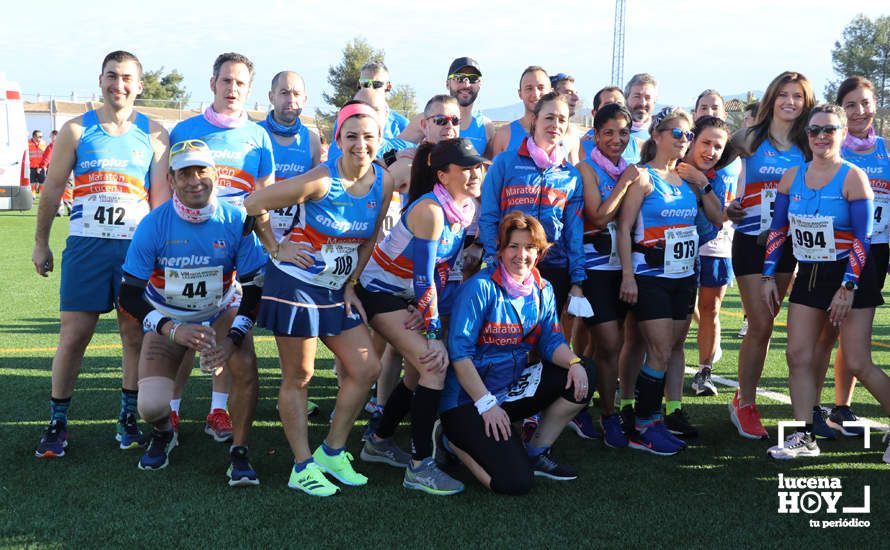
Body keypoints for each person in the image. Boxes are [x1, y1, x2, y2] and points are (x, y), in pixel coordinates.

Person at [244, 100, 393, 497]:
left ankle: (332, 451)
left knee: (366, 369)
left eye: (369, 137)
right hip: (295, 284)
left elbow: (371, 235)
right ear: (339, 140)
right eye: (352, 136)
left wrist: (350, 284)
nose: (361, 144)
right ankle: (302, 465)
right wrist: (276, 248)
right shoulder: (321, 179)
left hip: (334, 288)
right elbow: (255, 203)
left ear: (379, 140)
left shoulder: (384, 180)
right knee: (300, 375)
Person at [32, 50, 170, 458]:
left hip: (134, 252)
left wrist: (161, 253)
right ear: (101, 79)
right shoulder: (76, 130)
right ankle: (57, 423)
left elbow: (160, 201)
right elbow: (53, 189)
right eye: (112, 76)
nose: (119, 85)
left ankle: (127, 418)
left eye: (127, 78)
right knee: (74, 336)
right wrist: (41, 241)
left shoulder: (156, 134)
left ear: (140, 84)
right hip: (86, 247)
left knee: (133, 336)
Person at [118, 140, 266, 483]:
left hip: (220, 310)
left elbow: (254, 288)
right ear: (171, 179)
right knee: (150, 405)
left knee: (244, 363)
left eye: (201, 170)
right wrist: (171, 328)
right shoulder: (154, 224)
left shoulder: (236, 219)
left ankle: (240, 451)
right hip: (169, 314)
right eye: (185, 173)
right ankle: (163, 432)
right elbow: (129, 294)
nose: (194, 179)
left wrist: (233, 339)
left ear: (215, 173)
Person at [358, 138, 485, 495]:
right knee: (433, 365)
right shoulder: (430, 210)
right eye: (467, 167)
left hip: (408, 297)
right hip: (379, 293)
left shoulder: (467, 207)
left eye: (478, 166)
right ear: (443, 176)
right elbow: (423, 276)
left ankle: (378, 440)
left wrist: (421, 311)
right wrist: (431, 329)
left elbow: (445, 272)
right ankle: (420, 465)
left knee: (417, 373)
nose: (476, 173)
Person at [762, 104, 889, 459]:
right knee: (797, 354)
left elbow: (864, 239)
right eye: (815, 130)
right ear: (807, 134)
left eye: (829, 130)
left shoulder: (852, 177)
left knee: (859, 362)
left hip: (851, 276)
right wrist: (768, 275)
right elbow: (778, 231)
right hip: (810, 275)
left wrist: (848, 287)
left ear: (842, 132)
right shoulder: (792, 176)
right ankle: (804, 435)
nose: (821, 137)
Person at [440, 211, 595, 495]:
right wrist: (486, 404)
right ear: (500, 249)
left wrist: (573, 362)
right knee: (514, 483)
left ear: (540, 252)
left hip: (509, 389)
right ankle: (451, 442)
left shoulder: (543, 288)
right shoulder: (480, 287)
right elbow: (459, 354)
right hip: (468, 399)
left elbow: (551, 341)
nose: (521, 254)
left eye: (530, 247)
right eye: (513, 246)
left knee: (584, 373)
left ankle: (535, 452)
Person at [169, 52, 276, 443]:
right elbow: (169, 189)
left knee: (229, 329)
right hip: (187, 245)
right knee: (183, 332)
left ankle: (218, 410)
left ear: (249, 89)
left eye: (241, 83)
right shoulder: (185, 129)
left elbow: (263, 198)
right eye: (227, 81)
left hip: (237, 247)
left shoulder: (259, 136)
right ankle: (173, 410)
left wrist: (270, 246)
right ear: (213, 82)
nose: (233, 89)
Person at [616, 107, 722, 455]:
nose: (684, 140)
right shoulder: (644, 178)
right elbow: (624, 229)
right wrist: (628, 275)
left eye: (688, 135)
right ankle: (644, 425)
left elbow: (717, 216)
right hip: (651, 276)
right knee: (659, 351)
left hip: (684, 275)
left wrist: (702, 182)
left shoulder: (688, 178)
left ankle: (652, 420)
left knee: (671, 349)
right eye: (677, 133)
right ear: (657, 136)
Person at [725, 71, 815, 440]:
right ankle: (745, 403)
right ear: (771, 98)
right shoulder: (748, 137)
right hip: (751, 240)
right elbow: (711, 167)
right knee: (760, 324)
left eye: (797, 96)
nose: (790, 101)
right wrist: (725, 204)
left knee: (768, 320)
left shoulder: (809, 144)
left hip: (791, 244)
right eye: (783, 94)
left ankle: (741, 396)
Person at [818, 76, 890, 436]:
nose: (859, 111)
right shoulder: (831, 147)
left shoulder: (888, 150)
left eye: (865, 103)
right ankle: (831, 409)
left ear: (875, 104)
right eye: (850, 105)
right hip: (831, 252)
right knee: (828, 335)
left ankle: (841, 408)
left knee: (853, 340)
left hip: (874, 251)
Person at [480, 91, 585, 319]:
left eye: (562, 119)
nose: (555, 124)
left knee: (547, 341)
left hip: (555, 268)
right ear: (534, 120)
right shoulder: (505, 163)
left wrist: (577, 278)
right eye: (549, 117)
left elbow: (574, 231)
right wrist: (492, 258)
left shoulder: (571, 175)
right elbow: (489, 215)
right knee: (509, 337)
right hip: (511, 262)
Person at [577, 102, 635, 447]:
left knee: (603, 345)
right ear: (596, 135)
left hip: (623, 267)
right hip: (594, 268)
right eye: (609, 132)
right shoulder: (587, 168)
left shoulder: (630, 169)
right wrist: (626, 183)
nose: (616, 139)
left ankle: (582, 404)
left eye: (623, 133)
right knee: (609, 343)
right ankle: (608, 415)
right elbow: (598, 217)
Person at [689, 91, 742, 397]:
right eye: (703, 107)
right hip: (678, 247)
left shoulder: (732, 156)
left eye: (715, 107)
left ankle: (704, 370)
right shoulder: (679, 156)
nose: (711, 149)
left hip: (717, 243)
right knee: (681, 311)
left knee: (711, 308)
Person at [258, 70, 322, 241]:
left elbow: (318, 197)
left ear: (304, 99)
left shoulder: (312, 140)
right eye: (284, 93)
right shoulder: (254, 134)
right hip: (256, 232)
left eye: (296, 94)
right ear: (271, 97)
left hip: (294, 238)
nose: (291, 100)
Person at [399, 57, 495, 158]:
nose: (466, 84)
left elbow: (489, 168)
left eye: (473, 79)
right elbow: (391, 148)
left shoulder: (485, 126)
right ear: (447, 84)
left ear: (480, 84)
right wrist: (396, 155)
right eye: (459, 78)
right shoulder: (429, 119)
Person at [489, 66, 551, 158]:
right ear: (520, 93)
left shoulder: (565, 134)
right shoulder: (504, 135)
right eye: (529, 88)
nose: (535, 94)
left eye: (541, 88)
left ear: (550, 92)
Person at [580, 86, 625, 158]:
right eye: (608, 105)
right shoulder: (581, 147)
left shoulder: (635, 145)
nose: (615, 109)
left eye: (620, 105)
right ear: (594, 113)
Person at [623, 73, 658, 163]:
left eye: (648, 98)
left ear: (654, 102)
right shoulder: (610, 134)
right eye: (637, 96)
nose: (642, 103)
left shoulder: (661, 136)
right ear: (626, 99)